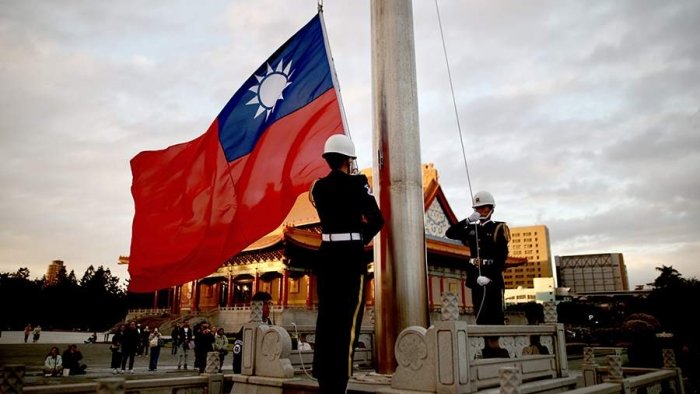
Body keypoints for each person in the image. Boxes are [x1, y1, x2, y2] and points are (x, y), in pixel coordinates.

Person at [310, 134, 384, 393]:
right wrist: (359, 235)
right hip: (351, 256)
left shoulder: (317, 187)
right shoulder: (359, 184)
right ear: (349, 160)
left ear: (328, 159)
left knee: (327, 319)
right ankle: (339, 382)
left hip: (327, 254)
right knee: (348, 320)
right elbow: (377, 219)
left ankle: (323, 378)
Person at [445, 190, 510, 325]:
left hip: (491, 278)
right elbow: (450, 233)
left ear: (491, 209)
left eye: (483, 207)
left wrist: (490, 277)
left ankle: (494, 345)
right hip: (475, 275)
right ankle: (485, 345)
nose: (480, 210)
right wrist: (468, 220)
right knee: (480, 315)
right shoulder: (471, 229)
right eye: (477, 208)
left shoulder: (498, 228)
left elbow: (501, 256)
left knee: (494, 316)